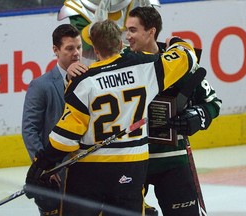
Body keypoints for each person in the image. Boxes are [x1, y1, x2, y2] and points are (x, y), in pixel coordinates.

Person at [24, 19, 199, 216]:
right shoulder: (146, 68)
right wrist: (176, 42)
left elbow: (65, 138)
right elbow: (187, 58)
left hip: (88, 172)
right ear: (120, 43)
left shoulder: (83, 82)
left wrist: (41, 164)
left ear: (95, 50)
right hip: (131, 167)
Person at [125, 6, 222, 216]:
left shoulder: (178, 64)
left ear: (151, 31)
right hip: (131, 162)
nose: (127, 36)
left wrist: (196, 117)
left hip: (172, 160)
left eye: (133, 30)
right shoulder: (121, 64)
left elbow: (212, 102)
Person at [21, 23, 87, 216]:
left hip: (88, 169)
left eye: (79, 47)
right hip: (56, 172)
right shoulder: (40, 86)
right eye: (69, 48)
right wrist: (44, 166)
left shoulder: (91, 80)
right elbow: (30, 129)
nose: (76, 53)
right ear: (56, 51)